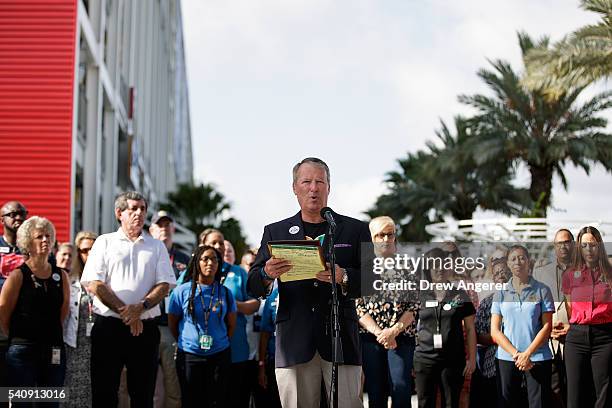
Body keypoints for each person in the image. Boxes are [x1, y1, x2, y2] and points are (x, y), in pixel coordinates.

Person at [247, 157, 371, 408]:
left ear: (329, 186)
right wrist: (267, 274)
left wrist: (344, 276)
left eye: (319, 182)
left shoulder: (355, 229)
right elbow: (252, 284)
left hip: (342, 341)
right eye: (306, 181)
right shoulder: (275, 232)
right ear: (295, 187)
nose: (313, 188)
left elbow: (372, 280)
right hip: (294, 342)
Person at [81, 191, 176, 408]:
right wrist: (127, 312)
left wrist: (140, 308)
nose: (139, 213)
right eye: (133, 208)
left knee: (143, 394)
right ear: (119, 213)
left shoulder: (156, 246)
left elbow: (164, 285)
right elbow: (95, 283)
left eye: (142, 208)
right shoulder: (105, 242)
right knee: (104, 392)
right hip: (109, 326)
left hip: (145, 328)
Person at [177, 229, 259, 407]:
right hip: (197, 353)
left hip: (235, 349)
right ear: (201, 246)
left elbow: (255, 304)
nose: (218, 246)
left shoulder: (238, 273)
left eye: (221, 242)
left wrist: (230, 305)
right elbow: (176, 310)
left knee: (232, 400)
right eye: (213, 243)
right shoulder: (189, 274)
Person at [0, 216, 70, 407]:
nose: (46, 240)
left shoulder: (61, 275)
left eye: (48, 236)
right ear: (27, 243)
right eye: (39, 236)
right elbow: (4, 312)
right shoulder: (17, 275)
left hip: (53, 350)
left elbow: (63, 311)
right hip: (22, 351)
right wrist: (18, 337)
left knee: (50, 403)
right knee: (21, 404)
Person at [355, 216, 417, 408]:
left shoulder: (408, 267)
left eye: (389, 234)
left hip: (401, 338)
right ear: (371, 238)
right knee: (375, 391)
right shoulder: (361, 269)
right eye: (380, 235)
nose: (385, 239)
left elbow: (413, 306)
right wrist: (380, 333)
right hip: (370, 339)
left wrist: (393, 331)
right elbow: (358, 307)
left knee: (401, 388)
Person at [168, 245, 237, 408]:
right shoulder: (181, 291)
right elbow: (173, 323)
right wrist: (187, 341)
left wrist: (220, 342)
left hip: (219, 354)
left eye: (214, 259)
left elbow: (231, 325)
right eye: (205, 258)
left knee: (216, 401)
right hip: (190, 356)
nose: (210, 263)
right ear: (196, 262)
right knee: (191, 401)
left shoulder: (225, 293)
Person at [491, 245, 554, 408]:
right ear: (508, 264)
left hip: (537, 357)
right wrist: (517, 354)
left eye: (522, 258)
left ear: (529, 262)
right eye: (513, 259)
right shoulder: (501, 293)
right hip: (507, 358)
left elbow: (547, 327)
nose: (518, 261)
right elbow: (495, 331)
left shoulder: (543, 290)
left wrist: (528, 354)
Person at [414, 248, 476, 408]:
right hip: (424, 359)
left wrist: (472, 359)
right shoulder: (419, 294)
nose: (439, 269)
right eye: (434, 265)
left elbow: (470, 329)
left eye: (442, 264)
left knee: (451, 403)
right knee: (425, 403)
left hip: (453, 360)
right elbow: (409, 324)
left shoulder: (460, 294)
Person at [562, 226, 612, 408]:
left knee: (603, 396)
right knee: (575, 396)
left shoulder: (610, 272)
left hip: (605, 337)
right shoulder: (569, 275)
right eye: (584, 245)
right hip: (576, 338)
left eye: (592, 245)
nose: (589, 250)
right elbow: (569, 307)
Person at [149, 210, 190, 408]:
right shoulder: (146, 255)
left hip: (172, 328)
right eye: (159, 225)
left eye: (167, 225)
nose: (164, 229)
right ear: (151, 230)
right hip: (148, 325)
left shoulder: (184, 258)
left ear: (173, 229)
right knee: (148, 383)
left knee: (173, 383)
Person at [533, 229, 574, 408]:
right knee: (554, 391)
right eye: (559, 243)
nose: (563, 247)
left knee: (576, 389)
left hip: (577, 340)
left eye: (566, 242)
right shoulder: (541, 273)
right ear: (554, 247)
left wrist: (572, 329)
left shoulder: (586, 270)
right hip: (550, 342)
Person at [470, 251, 510, 408]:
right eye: (497, 273)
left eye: (504, 271)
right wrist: (500, 338)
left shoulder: (525, 298)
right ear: (493, 278)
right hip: (492, 361)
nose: (501, 275)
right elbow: (478, 335)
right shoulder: (487, 302)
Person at [63, 231, 98, 408]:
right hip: (74, 344)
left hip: (99, 345)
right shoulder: (70, 281)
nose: (89, 254)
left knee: (95, 392)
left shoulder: (106, 279)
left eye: (93, 249)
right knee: (71, 392)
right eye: (84, 250)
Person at [0, 201, 27, 391]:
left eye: (22, 213)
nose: (18, 217)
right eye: (12, 214)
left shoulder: (31, 248)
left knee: (21, 385)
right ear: (2, 219)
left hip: (23, 323)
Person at [258, 286, 281, 408]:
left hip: (300, 360)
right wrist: (261, 368)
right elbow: (264, 335)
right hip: (275, 361)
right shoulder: (272, 296)